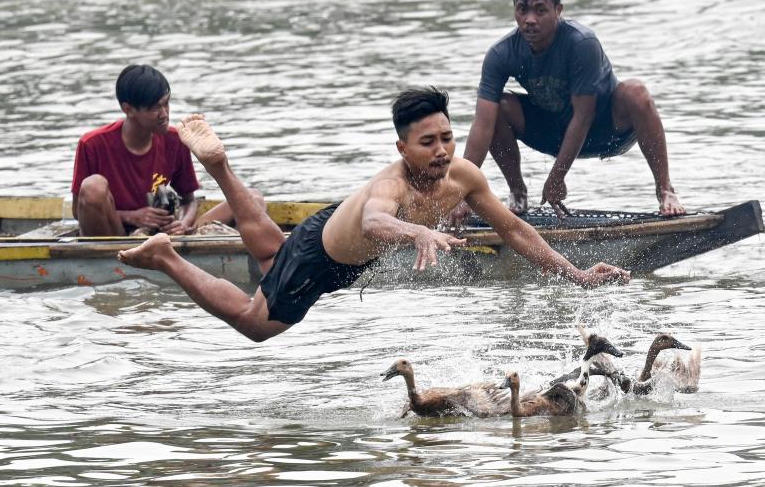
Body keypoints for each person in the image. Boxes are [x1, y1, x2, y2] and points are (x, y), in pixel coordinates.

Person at [118, 87, 630, 343]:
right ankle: (166, 257)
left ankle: (221, 168)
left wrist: (576, 274)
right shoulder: (392, 183)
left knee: (273, 253)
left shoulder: (465, 176)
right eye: (427, 142)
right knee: (257, 324)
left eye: (447, 138)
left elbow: (514, 228)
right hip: (323, 259)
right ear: (402, 148)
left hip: (328, 233)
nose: (441, 150)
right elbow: (374, 223)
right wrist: (417, 231)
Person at [461, 0, 685, 220]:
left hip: (604, 130)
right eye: (522, 10)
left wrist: (556, 177)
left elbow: (583, 117)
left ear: (558, 10)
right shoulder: (501, 53)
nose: (530, 19)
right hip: (552, 131)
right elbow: (482, 125)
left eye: (540, 10)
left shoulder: (581, 43)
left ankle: (665, 190)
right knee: (499, 107)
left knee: (636, 92)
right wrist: (460, 192)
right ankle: (518, 192)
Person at [72, 64, 262, 237]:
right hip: (116, 236)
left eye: (166, 104)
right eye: (155, 108)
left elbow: (189, 200)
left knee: (253, 198)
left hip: (164, 234)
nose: (164, 114)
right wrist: (132, 216)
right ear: (128, 109)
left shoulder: (174, 139)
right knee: (93, 186)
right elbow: (77, 211)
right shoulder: (92, 144)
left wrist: (183, 224)